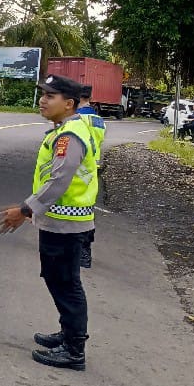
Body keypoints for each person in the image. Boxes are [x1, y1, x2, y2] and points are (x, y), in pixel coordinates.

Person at [0, 74, 98, 371]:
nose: (43, 100)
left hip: (67, 226)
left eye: (51, 96)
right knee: (59, 281)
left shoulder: (69, 136)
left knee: (67, 285)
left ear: (68, 104)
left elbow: (59, 182)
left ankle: (74, 350)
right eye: (43, 94)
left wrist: (26, 210)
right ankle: (68, 334)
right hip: (60, 222)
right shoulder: (64, 129)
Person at [75, 85, 105, 268]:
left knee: (70, 208)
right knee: (87, 210)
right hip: (92, 168)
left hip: (78, 167)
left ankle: (79, 251)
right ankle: (85, 253)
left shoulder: (76, 119)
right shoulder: (98, 119)